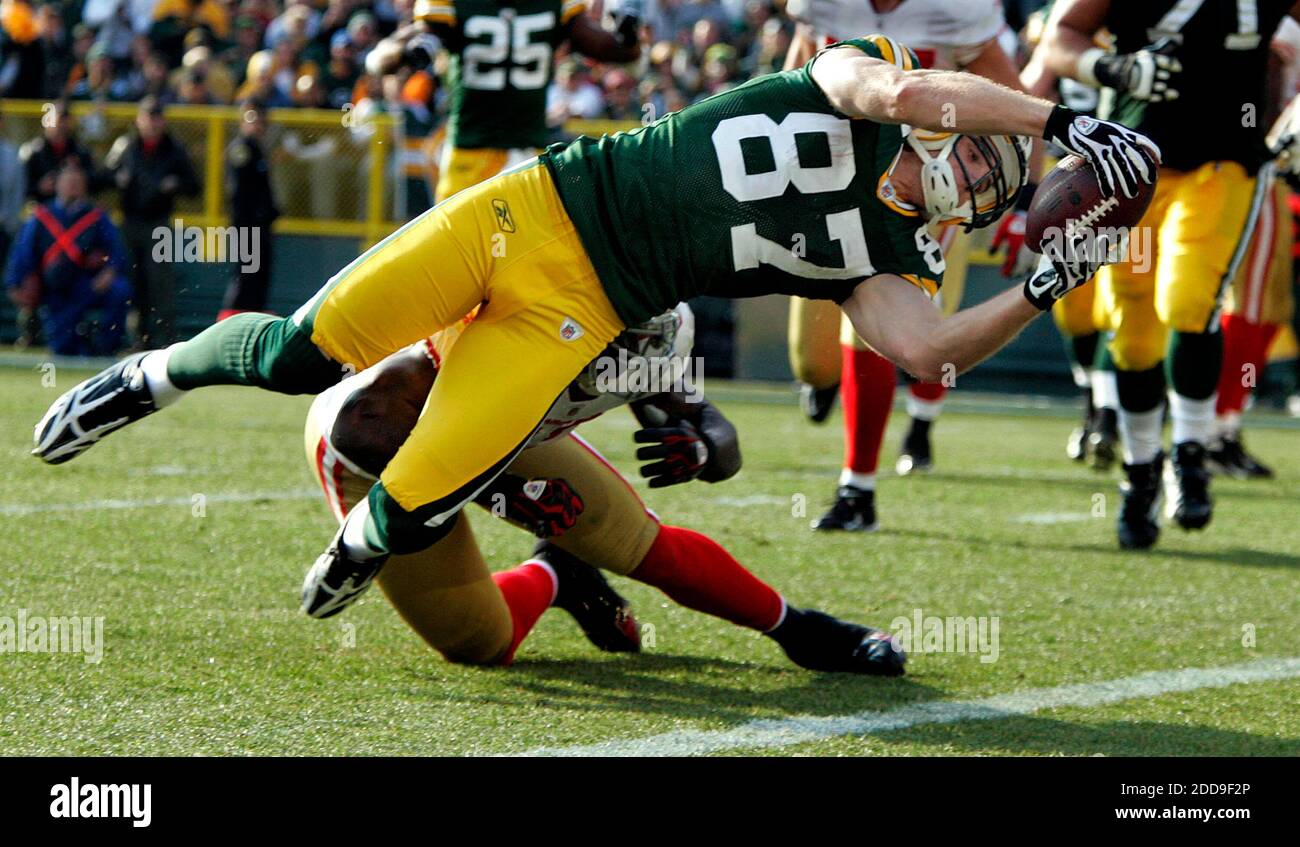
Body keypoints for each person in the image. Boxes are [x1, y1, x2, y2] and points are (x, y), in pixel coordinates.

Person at [33, 34, 1157, 618]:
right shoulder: (854, 82)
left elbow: (922, 353)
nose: (973, 170)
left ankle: (363, 546)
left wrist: (1046, 284)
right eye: (979, 145)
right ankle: (151, 375)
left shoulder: (889, 253)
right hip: (533, 212)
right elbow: (908, 100)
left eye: (996, 176)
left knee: (416, 503)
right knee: (300, 353)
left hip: (589, 309)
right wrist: (1064, 121)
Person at [301, 305, 905, 674]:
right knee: (479, 643)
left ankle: (802, 630)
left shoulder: (643, 327)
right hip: (388, 454)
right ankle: (554, 576)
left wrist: (703, 446)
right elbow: (365, 429)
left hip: (508, 431)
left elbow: (722, 446)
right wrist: (504, 496)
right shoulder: (516, 331)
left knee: (640, 543)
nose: (633, 366)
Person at [1041, 0, 1299, 549]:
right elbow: (1060, 38)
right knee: (1133, 330)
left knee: (1188, 301)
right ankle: (1140, 472)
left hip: (1223, 165)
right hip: (1131, 167)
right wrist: (1112, 68)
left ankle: (1190, 452)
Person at [781, 0, 1039, 533]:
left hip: (922, 186)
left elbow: (1019, 102)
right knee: (812, 363)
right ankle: (834, 388)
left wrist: (1027, 202)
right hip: (830, 176)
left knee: (879, 333)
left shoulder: (957, 10)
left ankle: (860, 486)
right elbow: (800, 63)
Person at [367, 0, 641, 202]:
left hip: (531, 152)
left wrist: (628, 38)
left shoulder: (555, 5)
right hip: (470, 150)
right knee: (460, 254)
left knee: (527, 258)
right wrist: (405, 53)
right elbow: (379, 60)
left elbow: (613, 50)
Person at [4, 160, 130, 356]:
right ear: (57, 184)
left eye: (77, 182)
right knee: (63, 349)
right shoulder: (41, 217)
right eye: (68, 181)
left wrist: (109, 272)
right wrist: (15, 284)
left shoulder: (97, 217)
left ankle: (106, 346)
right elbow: (22, 253)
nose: (73, 186)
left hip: (87, 284)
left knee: (120, 290)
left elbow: (116, 251)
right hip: (54, 287)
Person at [104, 95, 199, 347]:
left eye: (157, 117)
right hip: (130, 222)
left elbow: (194, 186)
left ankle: (166, 340)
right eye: (148, 117)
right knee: (133, 282)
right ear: (138, 120)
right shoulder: (126, 146)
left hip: (158, 223)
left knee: (161, 285)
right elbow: (102, 177)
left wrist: (175, 184)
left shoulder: (174, 149)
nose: (153, 123)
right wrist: (117, 179)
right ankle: (137, 339)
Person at [219, 100, 279, 320]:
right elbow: (238, 193)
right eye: (252, 119)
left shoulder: (257, 149)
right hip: (248, 226)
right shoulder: (242, 149)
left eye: (261, 121)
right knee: (245, 277)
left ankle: (254, 322)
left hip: (259, 226)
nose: (257, 125)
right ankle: (228, 324)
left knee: (258, 279)